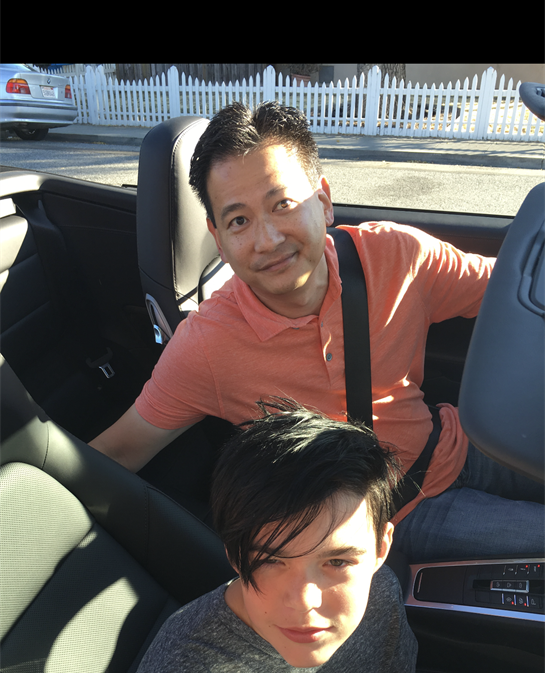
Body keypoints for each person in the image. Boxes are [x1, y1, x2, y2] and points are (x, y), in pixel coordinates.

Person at [89, 102, 545, 563]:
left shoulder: (397, 257)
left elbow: (519, 290)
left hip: (459, 442)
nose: (267, 240)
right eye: (239, 221)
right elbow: (116, 453)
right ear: (219, 239)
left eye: (283, 204)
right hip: (402, 516)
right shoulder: (207, 345)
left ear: (323, 201)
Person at [127, 401, 545, 673]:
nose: (306, 603)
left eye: (338, 562)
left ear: (382, 548)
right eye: (272, 561)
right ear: (235, 556)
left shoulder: (379, 594)